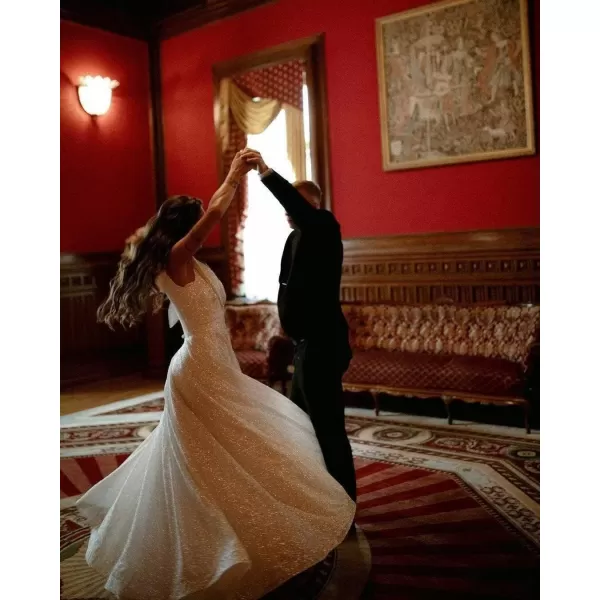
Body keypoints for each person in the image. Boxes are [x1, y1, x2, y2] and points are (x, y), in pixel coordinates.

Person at [76, 149, 355, 600]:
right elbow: (218, 211)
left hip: (217, 363)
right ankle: (204, 542)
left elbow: (219, 216)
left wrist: (241, 175)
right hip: (198, 368)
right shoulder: (178, 255)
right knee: (209, 454)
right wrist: (236, 174)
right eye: (199, 220)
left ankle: (248, 518)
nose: (206, 224)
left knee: (232, 447)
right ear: (187, 227)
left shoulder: (193, 261)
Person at [251, 150, 357, 503]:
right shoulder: (294, 237)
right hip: (304, 346)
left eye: (294, 205)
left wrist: (266, 172)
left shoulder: (324, 226)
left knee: (327, 429)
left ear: (312, 205)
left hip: (323, 345)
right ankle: (312, 495)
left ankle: (344, 504)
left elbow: (298, 208)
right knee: (298, 422)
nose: (287, 212)